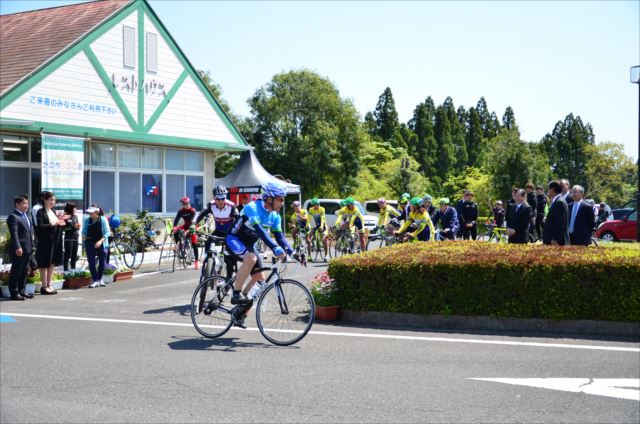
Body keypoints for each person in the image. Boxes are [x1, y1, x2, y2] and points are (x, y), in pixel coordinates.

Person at [225, 182, 294, 311]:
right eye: (280, 199)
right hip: (233, 239)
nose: (282, 203)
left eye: (283, 200)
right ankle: (236, 294)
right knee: (251, 258)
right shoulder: (253, 207)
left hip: (249, 245)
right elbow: (261, 232)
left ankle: (240, 311)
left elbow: (280, 237)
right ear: (269, 198)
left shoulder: (275, 216)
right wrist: (275, 248)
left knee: (259, 280)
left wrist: (293, 252)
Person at [195, 185, 239, 277]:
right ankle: (209, 262)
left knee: (229, 258)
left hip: (229, 233)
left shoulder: (231, 206)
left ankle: (229, 276)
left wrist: (237, 232)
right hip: (218, 231)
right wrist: (193, 223)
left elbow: (238, 220)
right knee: (208, 242)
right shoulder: (211, 205)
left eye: (223, 198)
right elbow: (200, 214)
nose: (220, 201)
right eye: (218, 199)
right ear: (214, 198)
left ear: (225, 198)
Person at [35, 192, 68, 295]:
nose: (52, 202)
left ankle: (49, 284)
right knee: (44, 263)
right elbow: (40, 226)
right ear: (45, 200)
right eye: (50, 200)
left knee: (52, 262)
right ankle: (44, 286)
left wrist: (61, 223)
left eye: (54, 200)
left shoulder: (53, 211)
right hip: (45, 241)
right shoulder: (40, 212)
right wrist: (55, 223)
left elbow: (56, 225)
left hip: (55, 240)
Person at [6, 195, 34, 300]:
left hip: (27, 248)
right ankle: (14, 293)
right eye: (23, 203)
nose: (26, 206)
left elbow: (29, 232)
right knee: (16, 271)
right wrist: (18, 247)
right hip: (19, 249)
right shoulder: (13, 216)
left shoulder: (25, 215)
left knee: (24, 271)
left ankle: (22, 291)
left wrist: (32, 245)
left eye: (27, 203)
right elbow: (14, 233)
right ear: (17, 204)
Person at [82, 206, 111, 287]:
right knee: (91, 262)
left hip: (101, 242)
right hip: (90, 242)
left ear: (97, 212)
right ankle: (95, 280)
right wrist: (84, 236)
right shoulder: (87, 220)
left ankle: (100, 279)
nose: (90, 214)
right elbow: (83, 232)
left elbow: (107, 233)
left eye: (92, 213)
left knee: (102, 262)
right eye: (89, 213)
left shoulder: (103, 219)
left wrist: (100, 241)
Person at [173, 196, 199, 269]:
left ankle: (196, 261)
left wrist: (188, 231)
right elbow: (176, 219)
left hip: (193, 227)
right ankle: (178, 245)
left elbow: (192, 222)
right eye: (184, 205)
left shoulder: (192, 211)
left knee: (194, 243)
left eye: (187, 204)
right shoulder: (181, 211)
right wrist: (175, 226)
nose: (186, 206)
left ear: (189, 203)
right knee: (175, 231)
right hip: (185, 225)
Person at [543, 180, 570, 246]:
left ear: (552, 189)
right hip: (552, 239)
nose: (548, 191)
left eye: (548, 189)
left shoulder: (559, 202)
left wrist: (555, 238)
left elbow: (560, 223)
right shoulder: (557, 201)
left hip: (556, 241)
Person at [61, 202, 81, 271]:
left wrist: (78, 227)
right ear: (71, 209)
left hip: (75, 238)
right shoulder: (65, 216)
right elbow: (63, 229)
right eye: (74, 208)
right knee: (67, 255)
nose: (75, 209)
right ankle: (66, 271)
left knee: (74, 256)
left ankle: (73, 271)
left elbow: (77, 227)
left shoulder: (75, 216)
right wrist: (73, 227)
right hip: (68, 239)